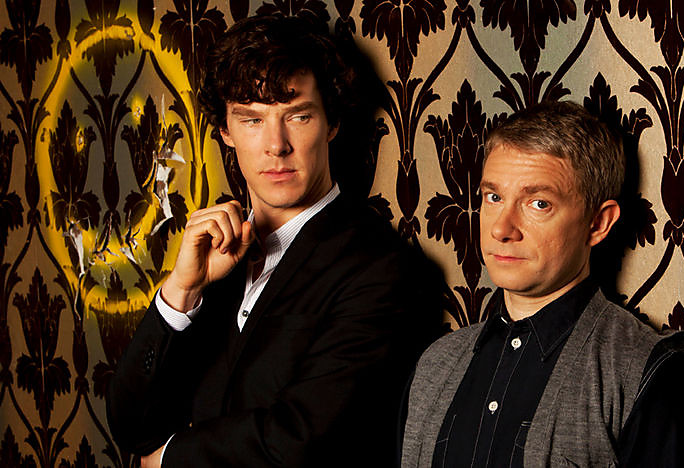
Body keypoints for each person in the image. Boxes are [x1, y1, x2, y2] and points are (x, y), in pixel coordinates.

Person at [107, 15, 437, 467]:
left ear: (331, 122)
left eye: (298, 116)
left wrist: (169, 459)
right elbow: (131, 426)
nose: (276, 145)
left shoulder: (380, 268)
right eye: (252, 120)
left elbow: (304, 439)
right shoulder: (213, 258)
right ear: (226, 131)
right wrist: (181, 291)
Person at [401, 101, 684, 467]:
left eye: (538, 203)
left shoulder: (652, 373)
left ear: (598, 223)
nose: (501, 228)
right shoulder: (435, 364)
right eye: (494, 197)